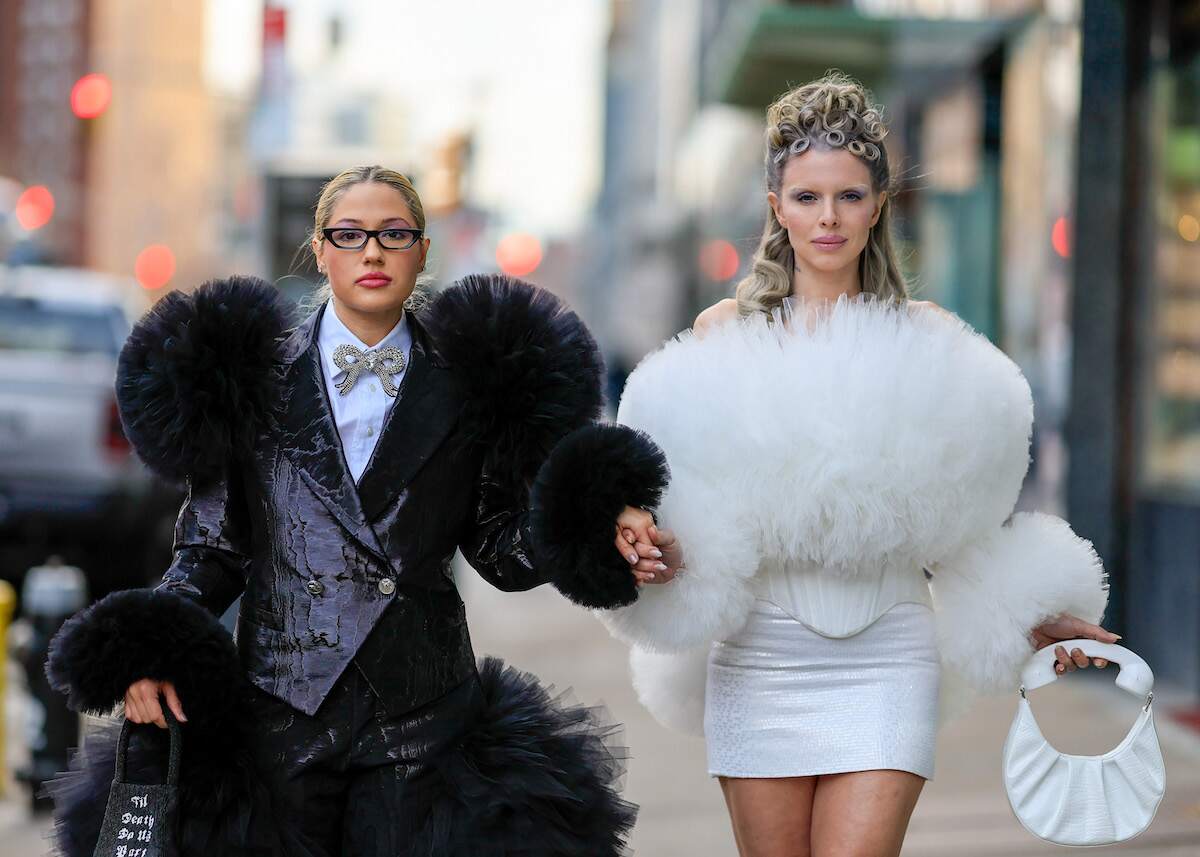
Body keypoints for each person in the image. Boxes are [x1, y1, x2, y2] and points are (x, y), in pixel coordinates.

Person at [563, 73, 1117, 857]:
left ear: (880, 203)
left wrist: (1029, 614)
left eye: (849, 196)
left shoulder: (930, 340)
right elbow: (686, 509)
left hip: (889, 655)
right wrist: (657, 550)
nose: (828, 218)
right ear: (774, 205)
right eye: (807, 196)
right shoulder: (722, 336)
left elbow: (960, 524)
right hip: (759, 658)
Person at [44, 165, 671, 857]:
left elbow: (499, 550)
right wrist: (151, 651)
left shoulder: (471, 385)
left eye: (393, 234)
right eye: (351, 234)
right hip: (282, 714)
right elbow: (212, 551)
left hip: (423, 719)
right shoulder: (250, 380)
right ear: (320, 249)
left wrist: (590, 522)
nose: (372, 251)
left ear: (422, 251)